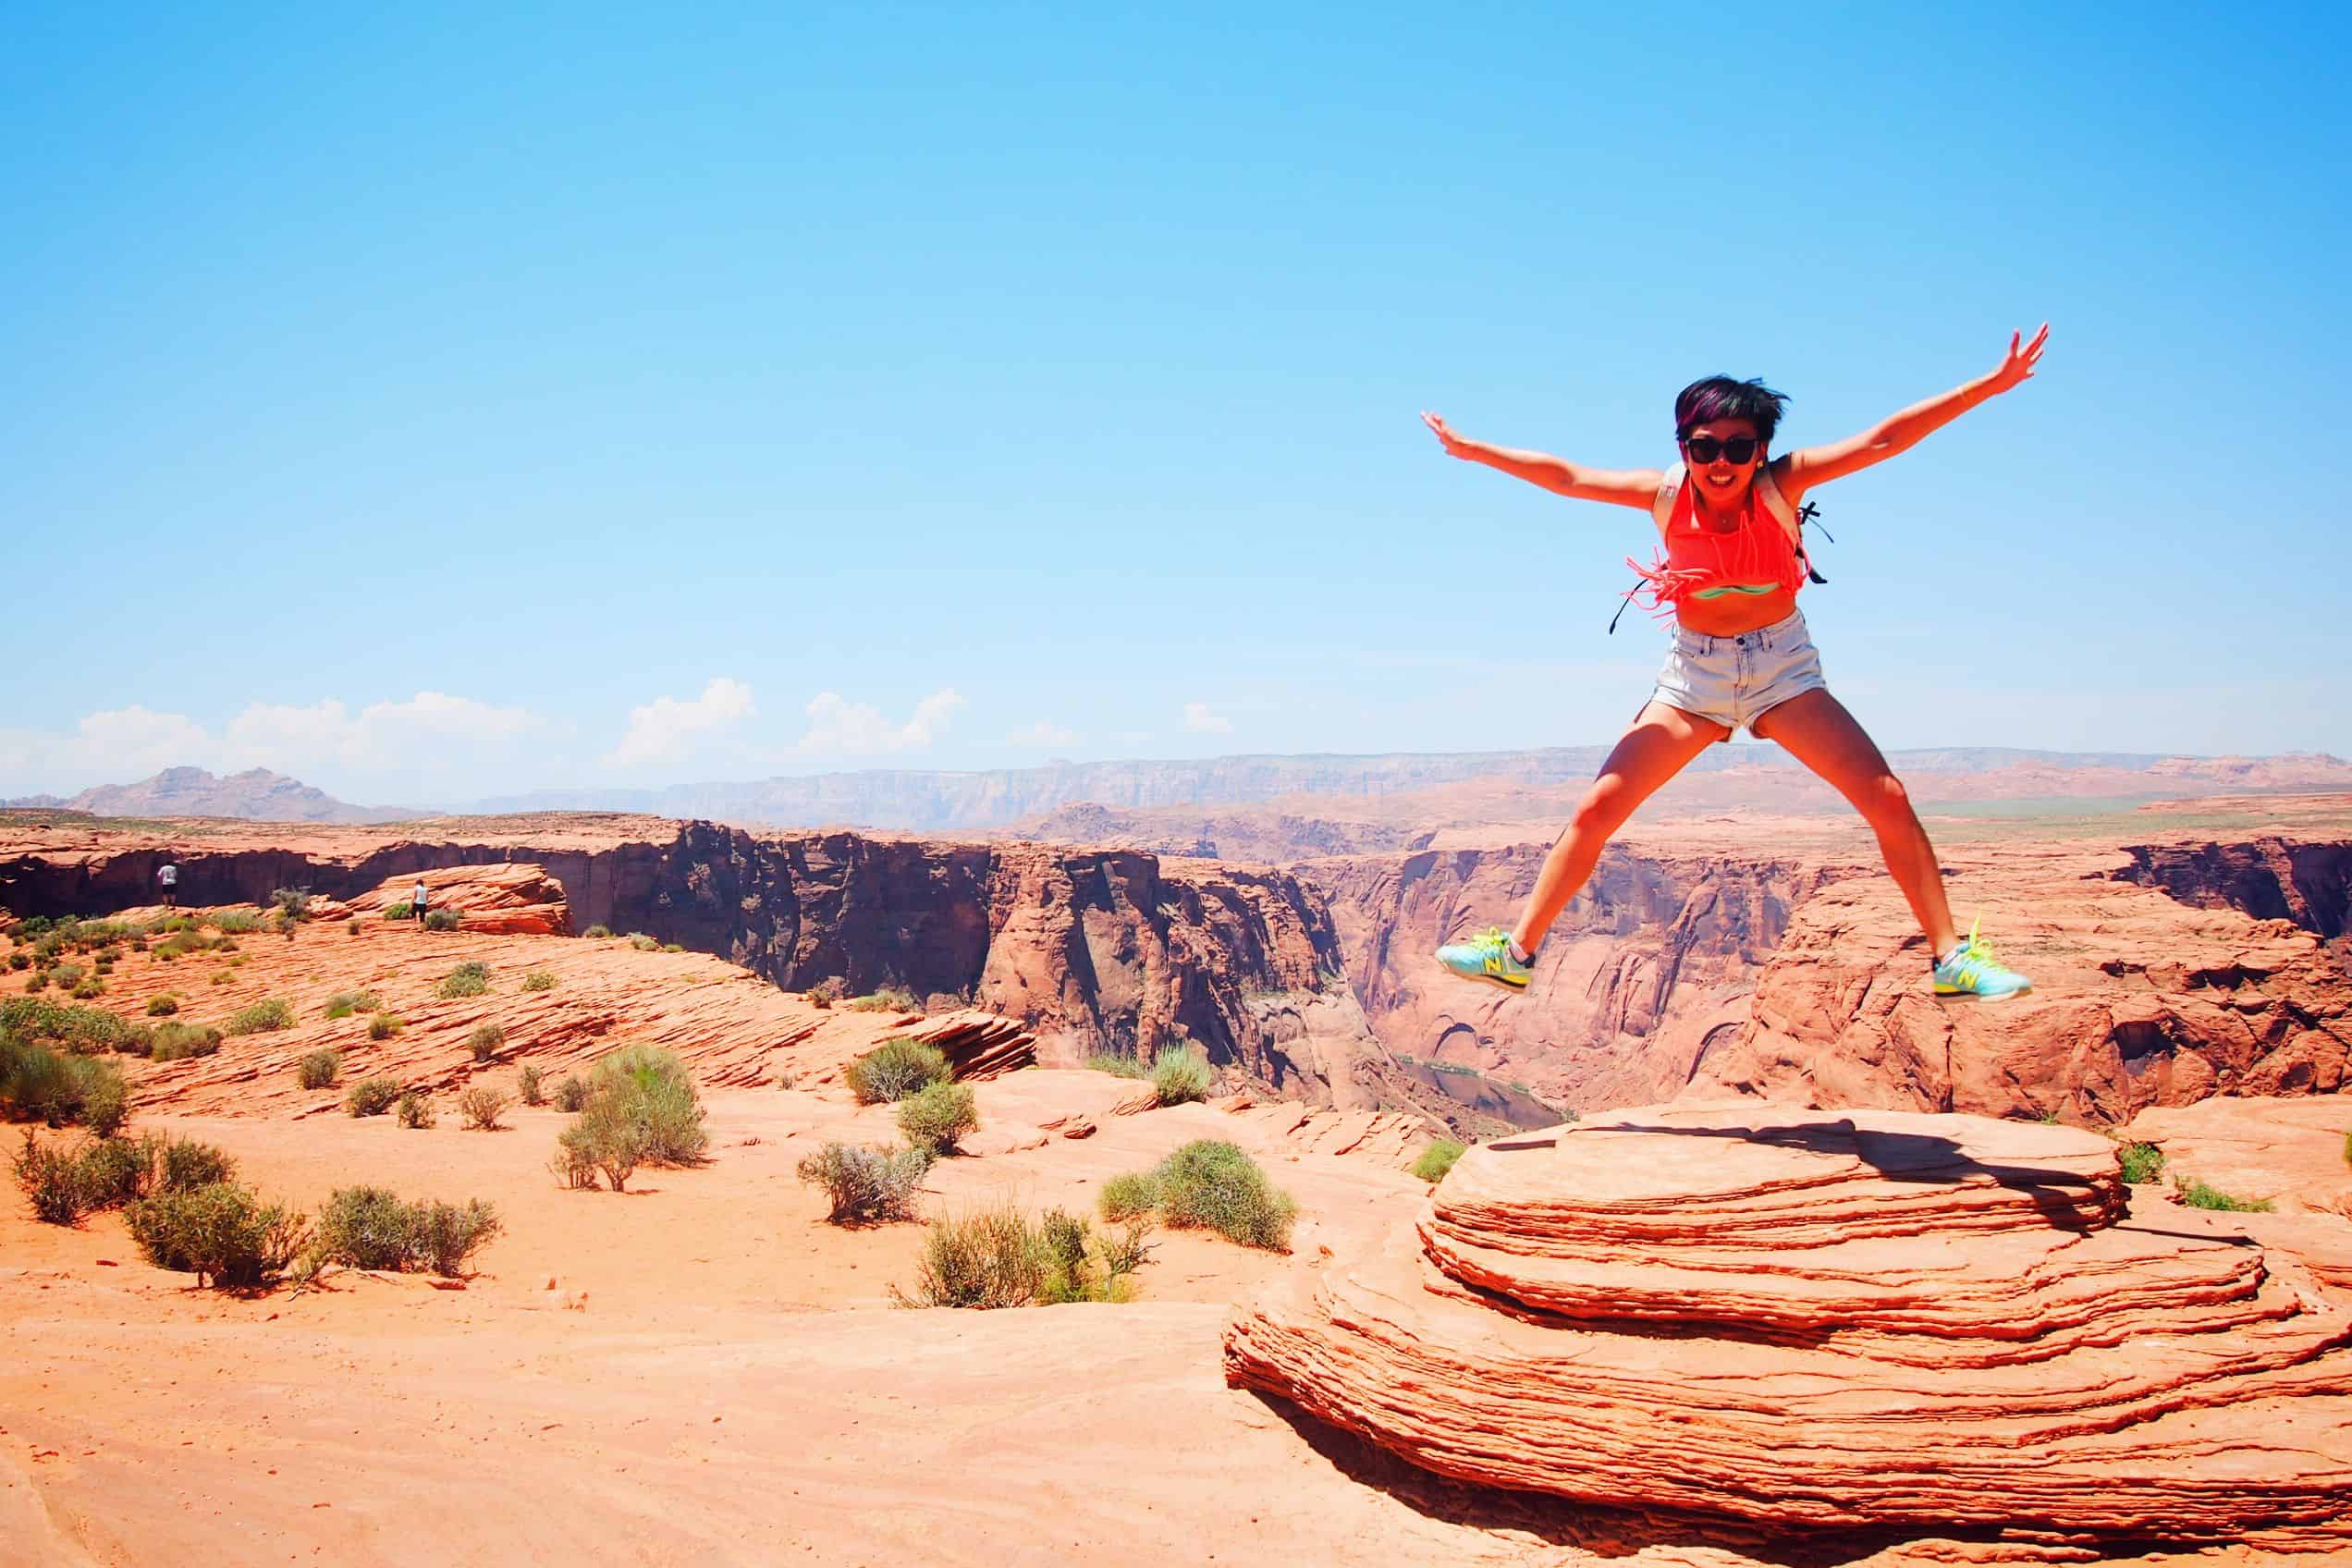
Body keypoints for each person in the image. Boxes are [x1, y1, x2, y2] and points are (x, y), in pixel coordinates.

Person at [1423, 328, 2048, 1002]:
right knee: (1598, 806)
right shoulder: (1664, 496)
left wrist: (1989, 385)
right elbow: (1566, 477)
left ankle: (1950, 959)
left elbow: (1883, 440)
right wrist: (1470, 449)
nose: (1721, 464)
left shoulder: (1782, 487)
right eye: (1705, 448)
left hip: (1782, 667)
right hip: (1695, 677)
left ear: (1761, 452)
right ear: (1683, 448)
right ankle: (1516, 955)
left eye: (1739, 448)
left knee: (1886, 798)